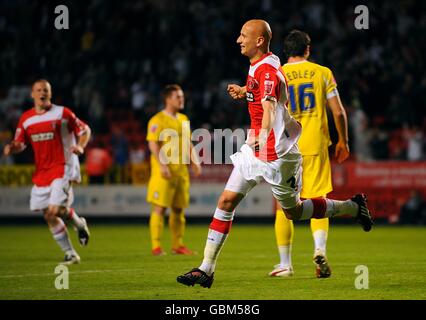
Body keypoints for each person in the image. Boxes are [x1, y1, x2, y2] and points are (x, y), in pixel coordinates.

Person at [177, 20, 373, 288]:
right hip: (255, 151)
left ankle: (352, 206)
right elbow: (268, 91)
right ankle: (206, 269)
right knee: (225, 202)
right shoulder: (265, 62)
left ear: (259, 40)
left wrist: (261, 133)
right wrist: (245, 91)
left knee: (292, 212)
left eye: (243, 35)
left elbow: (269, 108)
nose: (238, 39)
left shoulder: (268, 68)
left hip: (278, 154)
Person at [269, 30, 351, 278]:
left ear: (285, 51)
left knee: (283, 206)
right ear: (308, 49)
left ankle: (285, 264)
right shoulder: (322, 72)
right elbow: (338, 112)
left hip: (285, 147)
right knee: (318, 200)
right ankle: (319, 251)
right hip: (314, 142)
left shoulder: (277, 73)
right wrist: (343, 141)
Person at [3, 79, 91, 265]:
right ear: (32, 94)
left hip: (63, 166)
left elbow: (85, 130)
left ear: (50, 94)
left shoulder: (63, 113)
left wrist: (81, 146)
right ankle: (71, 252)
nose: (42, 93)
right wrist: (12, 148)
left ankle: (78, 224)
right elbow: (21, 144)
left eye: (46, 90)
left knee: (54, 209)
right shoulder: (26, 119)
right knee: (49, 215)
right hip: (42, 171)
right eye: (38, 90)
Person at [146, 84, 202, 256]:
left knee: (178, 209)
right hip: (164, 172)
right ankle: (156, 246)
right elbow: (153, 143)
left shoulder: (183, 119)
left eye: (182, 96)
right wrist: (162, 165)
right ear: (168, 99)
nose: (181, 99)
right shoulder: (157, 120)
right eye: (178, 97)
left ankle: (178, 244)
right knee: (160, 208)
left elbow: (188, 143)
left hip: (181, 171)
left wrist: (195, 161)